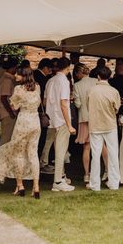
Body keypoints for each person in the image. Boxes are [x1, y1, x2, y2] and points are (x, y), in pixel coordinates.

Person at [0, 67, 42, 199]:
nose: (16, 76)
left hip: (23, 122)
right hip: (35, 122)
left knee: (18, 153)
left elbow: (14, 105)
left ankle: (20, 185)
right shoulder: (38, 87)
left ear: (23, 76)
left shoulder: (18, 89)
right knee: (33, 154)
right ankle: (36, 187)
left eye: (18, 74)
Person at [87, 66, 121, 191]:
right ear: (109, 77)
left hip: (95, 125)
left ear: (98, 76)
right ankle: (114, 183)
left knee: (95, 155)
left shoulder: (91, 90)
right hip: (110, 125)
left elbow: (88, 106)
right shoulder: (114, 91)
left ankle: (95, 184)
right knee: (113, 154)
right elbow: (117, 109)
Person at [45, 57, 76, 192]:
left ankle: (61, 176)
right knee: (61, 150)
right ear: (68, 68)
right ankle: (57, 181)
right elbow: (64, 103)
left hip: (51, 118)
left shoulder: (50, 80)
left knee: (57, 148)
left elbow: (45, 100)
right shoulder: (64, 81)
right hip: (61, 119)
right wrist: (69, 124)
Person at [73, 63, 102, 183]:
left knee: (86, 147)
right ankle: (105, 172)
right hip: (97, 117)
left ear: (79, 73)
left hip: (84, 118)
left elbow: (78, 104)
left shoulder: (77, 85)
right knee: (102, 146)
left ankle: (87, 174)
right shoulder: (96, 81)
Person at [0, 58, 19, 146]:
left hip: (6, 111)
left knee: (8, 136)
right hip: (7, 112)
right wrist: (11, 112)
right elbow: (4, 98)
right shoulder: (7, 80)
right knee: (6, 137)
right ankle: (0, 158)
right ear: (13, 68)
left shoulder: (5, 78)